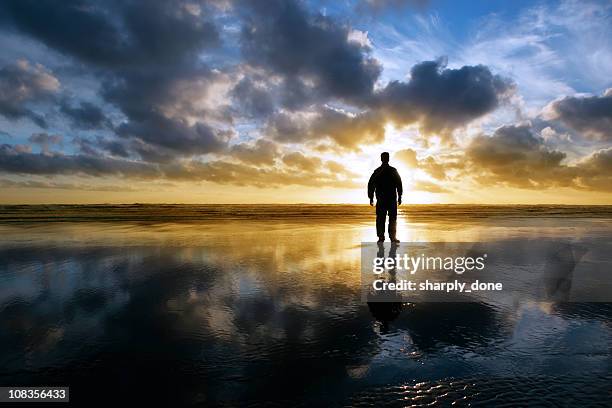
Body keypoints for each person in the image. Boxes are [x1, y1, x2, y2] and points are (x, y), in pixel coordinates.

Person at [368, 152, 403, 243]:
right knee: (388, 218)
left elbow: (399, 184)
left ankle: (385, 237)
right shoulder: (388, 171)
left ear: (382, 159)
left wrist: (371, 197)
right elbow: (371, 184)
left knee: (383, 218)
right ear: (387, 159)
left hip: (385, 199)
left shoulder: (381, 171)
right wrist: (400, 196)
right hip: (387, 199)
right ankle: (388, 237)